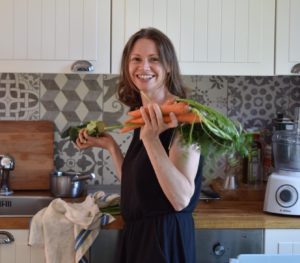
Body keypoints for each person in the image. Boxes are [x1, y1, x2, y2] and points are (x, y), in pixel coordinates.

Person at [76, 27, 203, 263]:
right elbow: (139, 187)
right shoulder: (145, 116)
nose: (143, 67)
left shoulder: (185, 119)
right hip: (137, 235)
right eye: (136, 59)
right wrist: (112, 147)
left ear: (169, 67)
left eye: (154, 59)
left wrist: (151, 140)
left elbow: (181, 198)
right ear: (127, 66)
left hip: (163, 240)